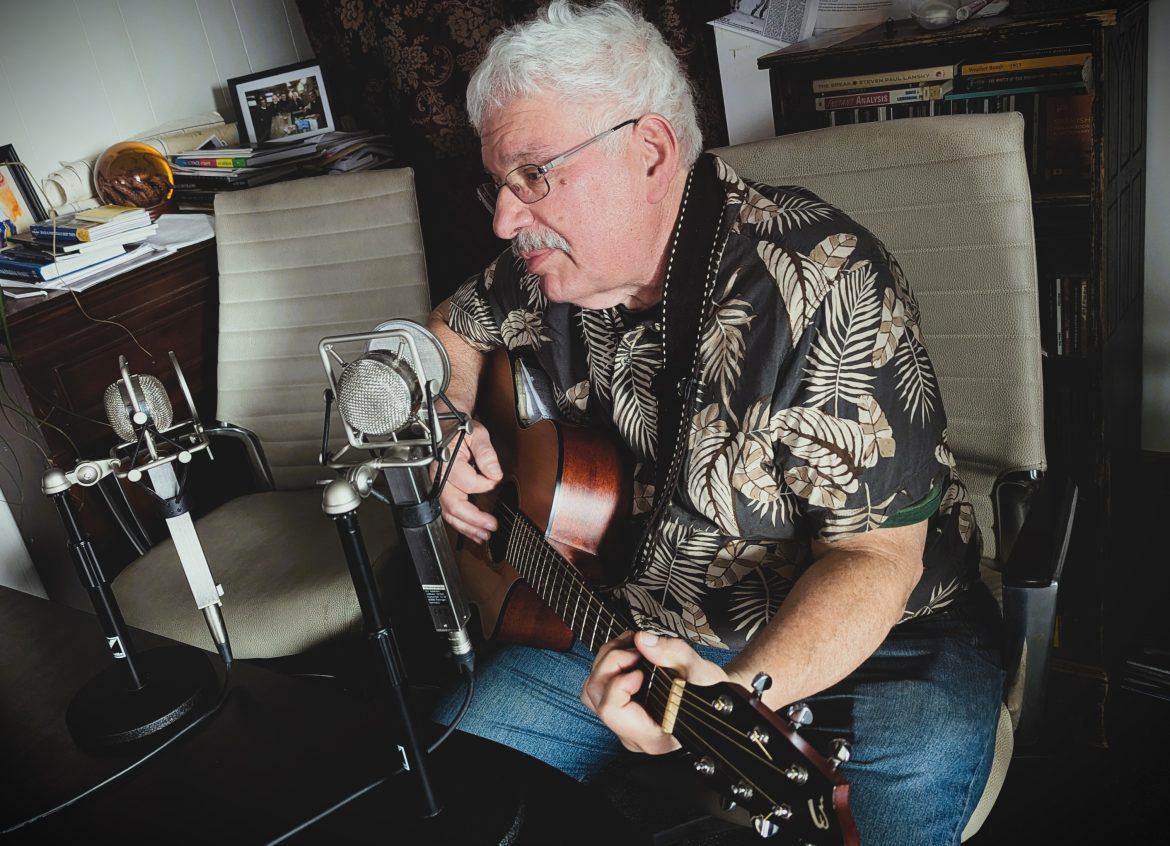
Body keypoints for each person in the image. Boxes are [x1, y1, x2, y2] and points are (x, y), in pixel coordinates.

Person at [426, 3, 1004, 843]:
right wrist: (448, 422)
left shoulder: (824, 283)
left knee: (897, 803)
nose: (505, 221)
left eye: (534, 176)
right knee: (462, 779)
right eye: (500, 185)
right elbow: (450, 331)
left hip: (880, 635)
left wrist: (727, 695)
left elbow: (874, 559)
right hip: (627, 624)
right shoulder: (542, 268)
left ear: (650, 152)